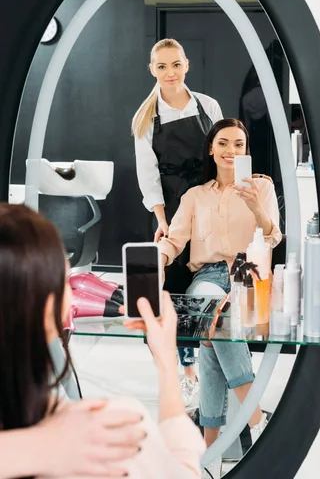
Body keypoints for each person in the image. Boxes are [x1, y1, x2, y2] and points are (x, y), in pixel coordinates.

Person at [0, 203, 205, 479]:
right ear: (50, 308)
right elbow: (182, 473)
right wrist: (167, 360)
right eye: (66, 283)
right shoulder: (107, 435)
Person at [158, 118, 282, 479]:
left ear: (247, 151)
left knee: (214, 338)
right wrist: (159, 259)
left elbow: (273, 237)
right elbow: (175, 239)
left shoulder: (261, 187)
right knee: (215, 317)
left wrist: (256, 205)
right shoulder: (195, 197)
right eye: (224, 143)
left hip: (250, 271)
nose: (231, 151)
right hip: (210, 275)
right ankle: (256, 420)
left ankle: (209, 448)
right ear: (211, 148)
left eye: (239, 145)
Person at [132, 38, 223, 408]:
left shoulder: (209, 106)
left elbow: (224, 154)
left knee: (208, 284)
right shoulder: (144, 117)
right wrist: (161, 219)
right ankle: (185, 373)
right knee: (173, 290)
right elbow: (147, 173)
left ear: (187, 65)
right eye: (161, 66)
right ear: (151, 69)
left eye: (176, 65)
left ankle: (213, 370)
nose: (170, 73)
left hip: (207, 202)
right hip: (170, 209)